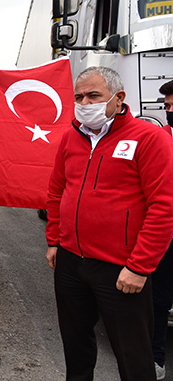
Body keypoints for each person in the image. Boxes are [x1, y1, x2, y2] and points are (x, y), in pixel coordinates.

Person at [46, 66, 173, 381]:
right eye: (79, 97)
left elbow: (164, 207)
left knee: (133, 357)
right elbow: (55, 191)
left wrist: (140, 267)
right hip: (71, 263)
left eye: (93, 95)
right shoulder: (70, 138)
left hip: (121, 268)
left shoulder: (149, 138)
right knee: (76, 349)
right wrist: (53, 241)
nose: (85, 103)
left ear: (118, 98)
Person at [151, 80, 173, 380]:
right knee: (159, 297)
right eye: (167, 107)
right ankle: (155, 356)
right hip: (167, 231)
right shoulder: (160, 139)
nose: (169, 111)